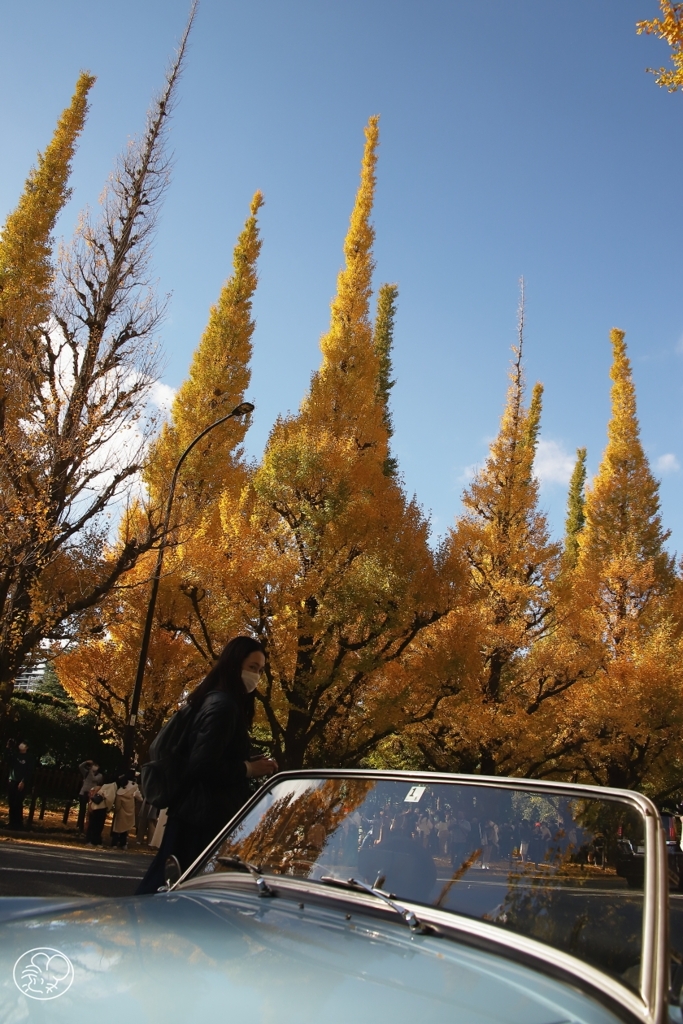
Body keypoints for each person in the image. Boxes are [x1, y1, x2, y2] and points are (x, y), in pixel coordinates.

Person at [136, 636, 277, 894]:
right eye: (252, 667)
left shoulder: (213, 700)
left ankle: (140, 924)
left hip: (194, 812)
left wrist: (245, 763)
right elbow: (201, 765)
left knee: (169, 881)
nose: (256, 676)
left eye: (260, 670)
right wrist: (247, 769)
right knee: (180, 886)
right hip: (202, 816)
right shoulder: (223, 706)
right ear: (235, 665)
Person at [5, 740, 35, 830]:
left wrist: (23, 781)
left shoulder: (29, 757)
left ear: (27, 747)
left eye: (24, 744)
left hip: (21, 782)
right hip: (12, 780)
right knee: (11, 802)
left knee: (18, 802)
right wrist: (7, 748)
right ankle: (11, 822)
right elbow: (7, 759)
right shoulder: (15, 756)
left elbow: (29, 771)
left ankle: (18, 823)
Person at [111, 773, 142, 849]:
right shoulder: (134, 786)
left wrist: (116, 810)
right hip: (130, 809)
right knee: (125, 828)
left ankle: (114, 843)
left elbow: (118, 805)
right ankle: (123, 843)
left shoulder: (120, 791)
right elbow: (139, 797)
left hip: (121, 810)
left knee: (117, 827)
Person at [85, 776, 117, 847]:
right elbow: (110, 799)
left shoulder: (99, 787)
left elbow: (91, 797)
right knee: (99, 826)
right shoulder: (111, 787)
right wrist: (108, 808)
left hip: (94, 806)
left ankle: (89, 840)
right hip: (102, 807)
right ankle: (96, 841)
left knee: (92, 824)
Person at [77, 760, 103, 833]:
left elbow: (93, 779)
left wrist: (91, 770)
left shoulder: (99, 775)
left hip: (92, 794)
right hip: (83, 793)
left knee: (90, 812)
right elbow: (80, 767)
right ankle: (80, 826)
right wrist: (86, 762)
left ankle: (88, 827)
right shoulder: (86, 772)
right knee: (82, 810)